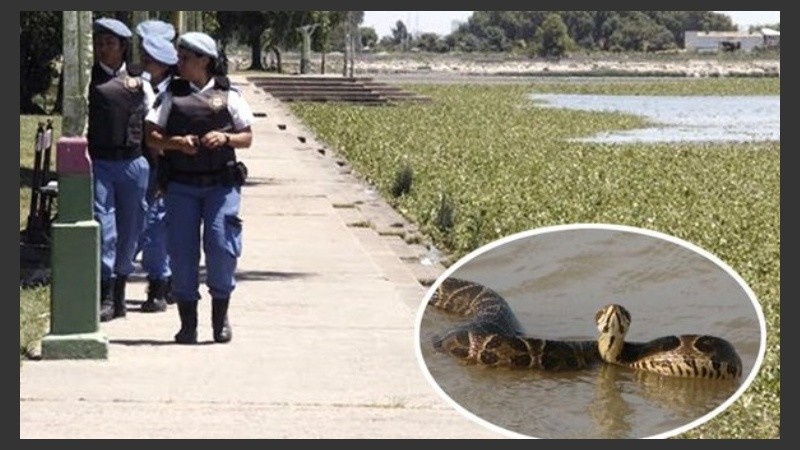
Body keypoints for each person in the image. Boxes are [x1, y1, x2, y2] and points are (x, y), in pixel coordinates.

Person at [145, 32, 254, 344]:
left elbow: (246, 137)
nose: (178, 64)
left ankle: (220, 319)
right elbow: (151, 135)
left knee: (221, 245)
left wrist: (226, 138)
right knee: (181, 252)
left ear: (204, 60)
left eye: (185, 59)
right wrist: (175, 143)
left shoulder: (228, 94)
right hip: (181, 185)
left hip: (221, 185)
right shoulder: (170, 96)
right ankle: (188, 324)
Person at [89, 18, 155, 322]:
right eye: (100, 43)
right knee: (105, 226)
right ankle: (105, 293)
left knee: (133, 227)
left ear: (123, 47)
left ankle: (120, 292)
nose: (104, 49)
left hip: (133, 162)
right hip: (101, 162)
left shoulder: (140, 81)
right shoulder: (87, 80)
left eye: (110, 44)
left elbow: (153, 124)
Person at [135, 24, 178, 313]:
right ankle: (164, 280)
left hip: (168, 164)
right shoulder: (138, 85)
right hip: (143, 164)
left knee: (159, 226)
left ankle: (160, 283)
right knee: (150, 225)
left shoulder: (177, 90)